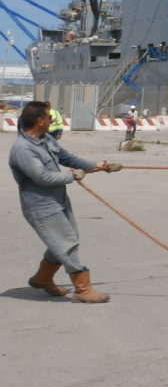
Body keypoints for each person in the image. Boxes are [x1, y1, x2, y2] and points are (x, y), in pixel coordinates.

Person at [9, 100, 122, 302]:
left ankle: (42, 278)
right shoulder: (23, 149)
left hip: (58, 199)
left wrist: (100, 165)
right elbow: (42, 177)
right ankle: (83, 289)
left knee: (65, 240)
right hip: (40, 205)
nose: (52, 120)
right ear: (40, 120)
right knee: (65, 243)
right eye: (50, 117)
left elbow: (68, 158)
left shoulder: (46, 140)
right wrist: (73, 176)